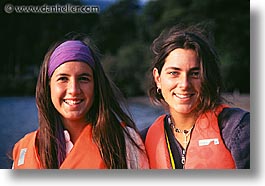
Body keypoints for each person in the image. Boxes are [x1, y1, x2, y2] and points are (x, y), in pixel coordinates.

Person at [12, 32, 149, 169]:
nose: (74, 90)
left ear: (96, 86)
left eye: (83, 79)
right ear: (48, 86)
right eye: (63, 79)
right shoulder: (25, 149)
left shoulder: (124, 142)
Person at [141, 24, 250, 169]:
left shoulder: (239, 128)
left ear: (207, 77)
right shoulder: (142, 141)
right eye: (174, 73)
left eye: (194, 74)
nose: (184, 84)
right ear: (158, 78)